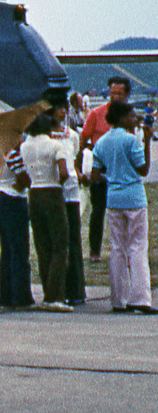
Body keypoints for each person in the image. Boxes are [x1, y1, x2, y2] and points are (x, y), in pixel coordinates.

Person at [91, 101, 154, 314]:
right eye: (131, 116)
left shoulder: (101, 143)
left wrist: (112, 176)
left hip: (113, 198)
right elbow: (144, 169)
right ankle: (140, 298)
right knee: (137, 246)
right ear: (121, 118)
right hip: (134, 197)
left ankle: (119, 299)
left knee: (118, 248)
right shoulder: (130, 140)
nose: (135, 119)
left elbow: (94, 175)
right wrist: (146, 141)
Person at [22, 112, 72, 312]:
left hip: (34, 192)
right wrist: (58, 185)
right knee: (60, 245)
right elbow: (64, 172)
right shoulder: (55, 145)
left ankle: (46, 292)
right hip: (51, 190)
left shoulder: (24, 147)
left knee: (42, 245)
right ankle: (55, 295)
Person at [78, 77, 132, 260]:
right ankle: (94, 251)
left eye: (119, 93)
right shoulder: (96, 114)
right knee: (98, 210)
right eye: (112, 93)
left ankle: (124, 251)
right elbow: (83, 140)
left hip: (121, 171)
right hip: (99, 170)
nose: (115, 96)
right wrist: (80, 169)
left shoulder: (129, 117)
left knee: (124, 213)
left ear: (126, 95)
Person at [0, 138, 34, 309]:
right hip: (13, 199)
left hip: (0, 196)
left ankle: (6, 295)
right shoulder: (13, 155)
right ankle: (21, 296)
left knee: (7, 250)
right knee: (19, 250)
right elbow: (25, 179)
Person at [54, 103, 86, 305]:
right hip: (55, 190)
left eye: (64, 108)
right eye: (59, 108)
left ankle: (76, 289)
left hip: (71, 192)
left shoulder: (72, 135)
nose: (63, 112)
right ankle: (60, 288)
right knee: (59, 241)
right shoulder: (43, 136)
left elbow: (74, 160)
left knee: (73, 239)